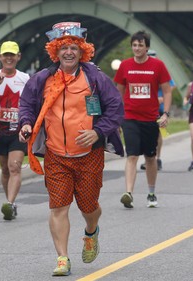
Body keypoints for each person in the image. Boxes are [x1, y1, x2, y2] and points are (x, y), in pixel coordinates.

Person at [18, 22, 124, 276]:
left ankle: (91, 232)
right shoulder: (43, 79)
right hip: (56, 154)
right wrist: (25, 124)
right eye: (63, 47)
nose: (68, 52)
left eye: (73, 48)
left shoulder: (96, 78)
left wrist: (98, 132)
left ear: (82, 51)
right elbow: (27, 105)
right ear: (55, 51)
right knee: (58, 206)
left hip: (88, 156)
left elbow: (116, 109)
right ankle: (62, 258)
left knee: (89, 207)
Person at [114, 31, 171, 209]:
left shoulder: (158, 66)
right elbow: (119, 92)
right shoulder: (125, 66)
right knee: (131, 155)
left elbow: (167, 91)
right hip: (130, 117)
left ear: (147, 47)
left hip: (150, 119)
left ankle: (151, 193)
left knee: (150, 157)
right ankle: (128, 193)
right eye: (134, 45)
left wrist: (166, 114)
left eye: (140, 45)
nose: (137, 48)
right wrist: (117, 117)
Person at [0, 41, 30, 221]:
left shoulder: (25, 78)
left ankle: (10, 203)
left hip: (18, 131)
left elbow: (33, 102)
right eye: (5, 55)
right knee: (5, 170)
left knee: (14, 166)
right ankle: (10, 202)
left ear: (18, 57)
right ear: (0, 57)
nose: (9, 58)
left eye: (12, 55)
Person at [139, 50, 176, 171]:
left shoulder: (160, 69)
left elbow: (172, 85)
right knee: (145, 134)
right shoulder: (143, 70)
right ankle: (148, 159)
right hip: (146, 108)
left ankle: (157, 158)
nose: (151, 59)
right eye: (149, 56)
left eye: (153, 57)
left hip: (159, 108)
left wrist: (163, 96)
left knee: (159, 133)